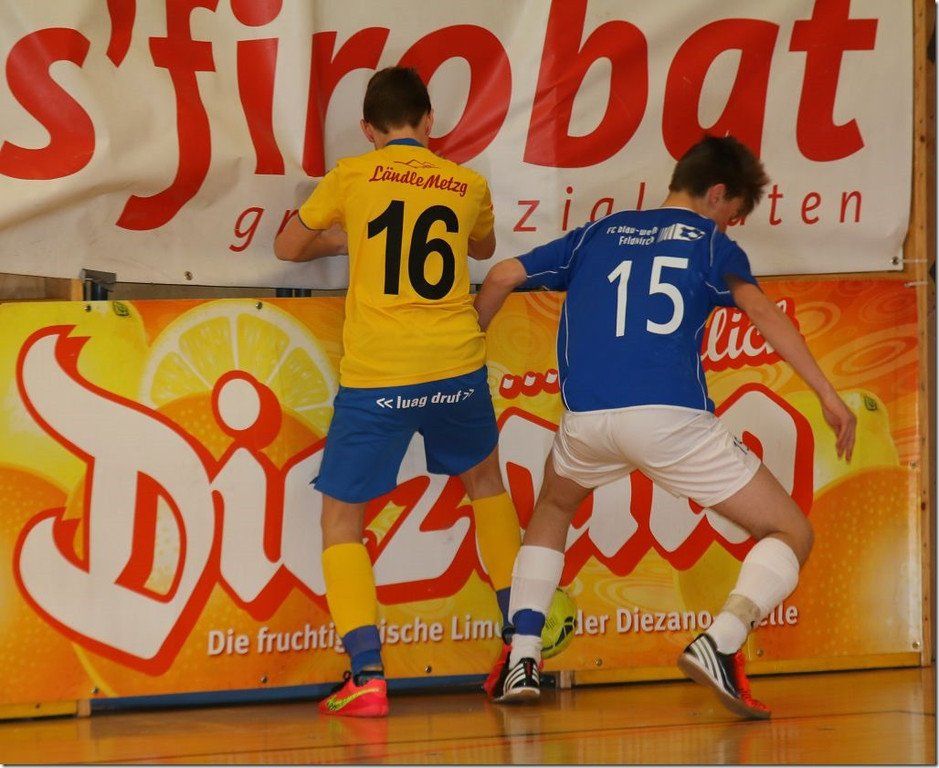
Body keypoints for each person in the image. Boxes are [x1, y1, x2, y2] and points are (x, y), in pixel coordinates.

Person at [474, 135, 856, 718]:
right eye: (732, 216)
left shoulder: (599, 233)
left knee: (553, 506)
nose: (728, 228)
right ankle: (721, 641)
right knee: (790, 532)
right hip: (669, 421)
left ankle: (523, 656)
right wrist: (828, 394)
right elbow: (761, 312)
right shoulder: (709, 244)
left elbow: (501, 275)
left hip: (586, 422)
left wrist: (467, 346)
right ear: (717, 194)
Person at [274, 67, 521, 717]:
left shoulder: (353, 176)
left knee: (340, 520)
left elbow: (289, 246)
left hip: (379, 374)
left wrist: (348, 234)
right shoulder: (467, 182)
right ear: (429, 121)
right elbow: (483, 245)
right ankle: (521, 651)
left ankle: (367, 676)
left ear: (367, 129)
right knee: (487, 487)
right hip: (456, 364)